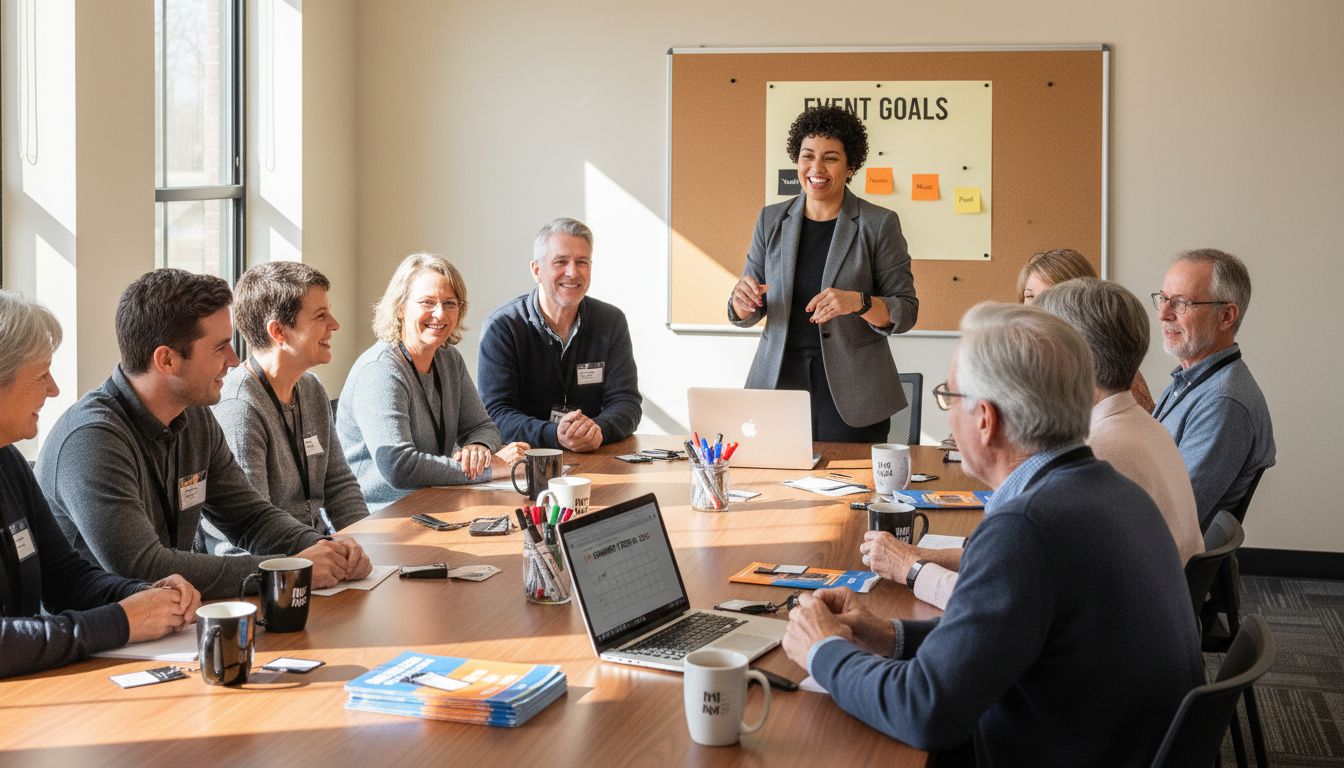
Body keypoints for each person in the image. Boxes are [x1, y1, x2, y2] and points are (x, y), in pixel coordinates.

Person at [785, 302, 1201, 765]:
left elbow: (925, 711)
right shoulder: (1114, 491)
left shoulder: (1025, 529)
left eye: (950, 397)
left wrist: (823, 650)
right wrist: (887, 634)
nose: (947, 415)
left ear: (985, 418)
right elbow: (1000, 639)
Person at [867, 279, 1206, 610]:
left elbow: (993, 601)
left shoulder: (1097, 455)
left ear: (1070, 356)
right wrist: (927, 556)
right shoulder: (1137, 423)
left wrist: (910, 569)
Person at [36, 270, 372, 599]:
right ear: (166, 360)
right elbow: (144, 568)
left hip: (167, 622)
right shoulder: (92, 440)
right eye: (220, 347)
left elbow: (249, 517)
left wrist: (324, 548)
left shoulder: (193, 416)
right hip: (103, 640)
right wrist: (288, 570)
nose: (233, 359)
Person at [0, 290, 202, 679]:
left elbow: (66, 579)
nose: (54, 389)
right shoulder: (87, 433)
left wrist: (144, 595)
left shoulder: (8, 460)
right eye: (41, 374)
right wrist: (120, 621)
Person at [728, 105, 918, 442]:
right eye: (807, 156)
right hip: (778, 381)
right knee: (771, 486)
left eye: (830, 158)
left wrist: (858, 302)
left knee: (849, 487)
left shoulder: (878, 223)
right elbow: (750, 303)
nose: (816, 168)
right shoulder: (771, 220)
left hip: (853, 390)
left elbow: (905, 311)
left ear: (851, 166)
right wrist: (742, 303)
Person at [338, 253, 528, 510]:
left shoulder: (448, 358)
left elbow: (483, 427)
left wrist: (479, 448)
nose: (440, 314)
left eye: (450, 303)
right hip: (379, 516)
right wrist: (490, 468)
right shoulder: (380, 370)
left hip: (435, 500)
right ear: (400, 307)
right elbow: (398, 467)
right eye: (427, 302)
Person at [206, 262, 368, 554]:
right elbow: (254, 531)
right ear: (278, 331)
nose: (335, 324)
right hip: (273, 566)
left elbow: (340, 486)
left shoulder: (311, 388)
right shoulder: (240, 406)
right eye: (320, 315)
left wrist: (366, 544)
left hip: (318, 552)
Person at [477, 218, 642, 452]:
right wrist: (555, 434)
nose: (572, 272)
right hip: (526, 460)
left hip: (593, 455)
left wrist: (596, 430)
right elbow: (495, 414)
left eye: (582, 262)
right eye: (561, 262)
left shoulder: (611, 321)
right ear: (537, 270)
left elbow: (627, 403)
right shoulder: (503, 326)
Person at [1153, 248, 1275, 527]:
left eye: (1180, 303)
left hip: (1160, 558)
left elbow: (1172, 515)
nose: (1163, 314)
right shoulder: (1193, 378)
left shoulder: (1223, 402)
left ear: (1226, 316)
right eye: (1163, 299)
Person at [1017, 248, 1155, 412]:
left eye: (1050, 296)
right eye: (1030, 296)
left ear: (1081, 298)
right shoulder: (1043, 362)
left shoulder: (1106, 369)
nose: (1037, 307)